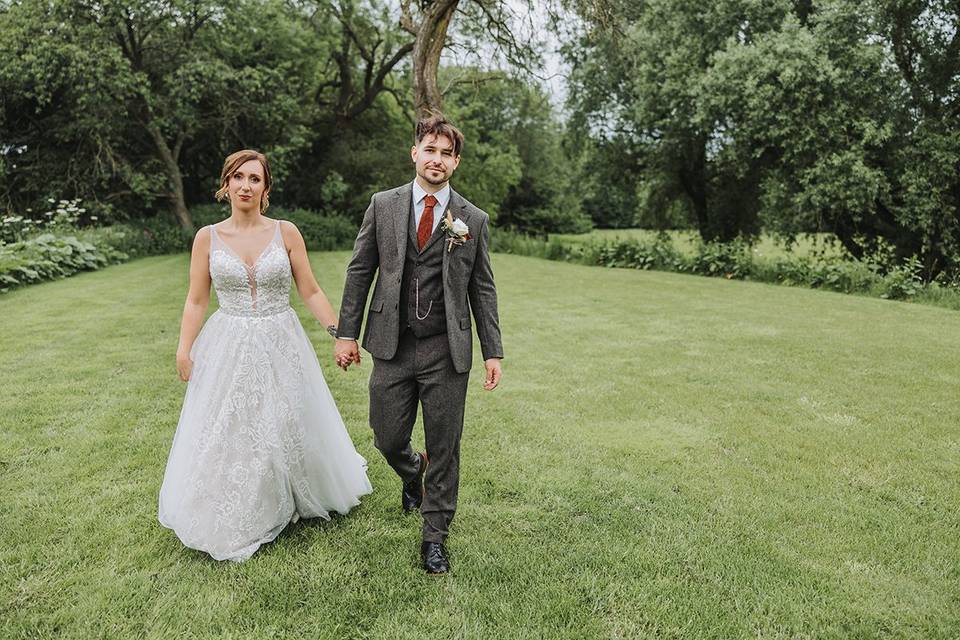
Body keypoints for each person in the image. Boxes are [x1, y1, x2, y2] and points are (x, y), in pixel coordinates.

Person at [159, 150, 371, 562]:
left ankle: (293, 489)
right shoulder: (207, 237)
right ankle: (242, 501)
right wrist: (184, 348)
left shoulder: (286, 232)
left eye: (255, 179)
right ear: (225, 185)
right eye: (238, 177)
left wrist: (340, 335)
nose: (245, 186)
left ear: (265, 188)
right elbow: (196, 299)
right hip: (229, 340)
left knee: (289, 416)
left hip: (281, 337)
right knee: (235, 422)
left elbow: (309, 290)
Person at [335, 113, 503, 574]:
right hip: (392, 342)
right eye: (430, 150)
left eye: (446, 153)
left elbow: (482, 288)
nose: (437, 159)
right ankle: (413, 474)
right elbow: (359, 270)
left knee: (445, 444)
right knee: (387, 436)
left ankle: (435, 536)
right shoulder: (383, 206)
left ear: (456, 163)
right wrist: (347, 333)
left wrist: (493, 350)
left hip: (447, 350)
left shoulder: (472, 219)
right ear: (415, 154)